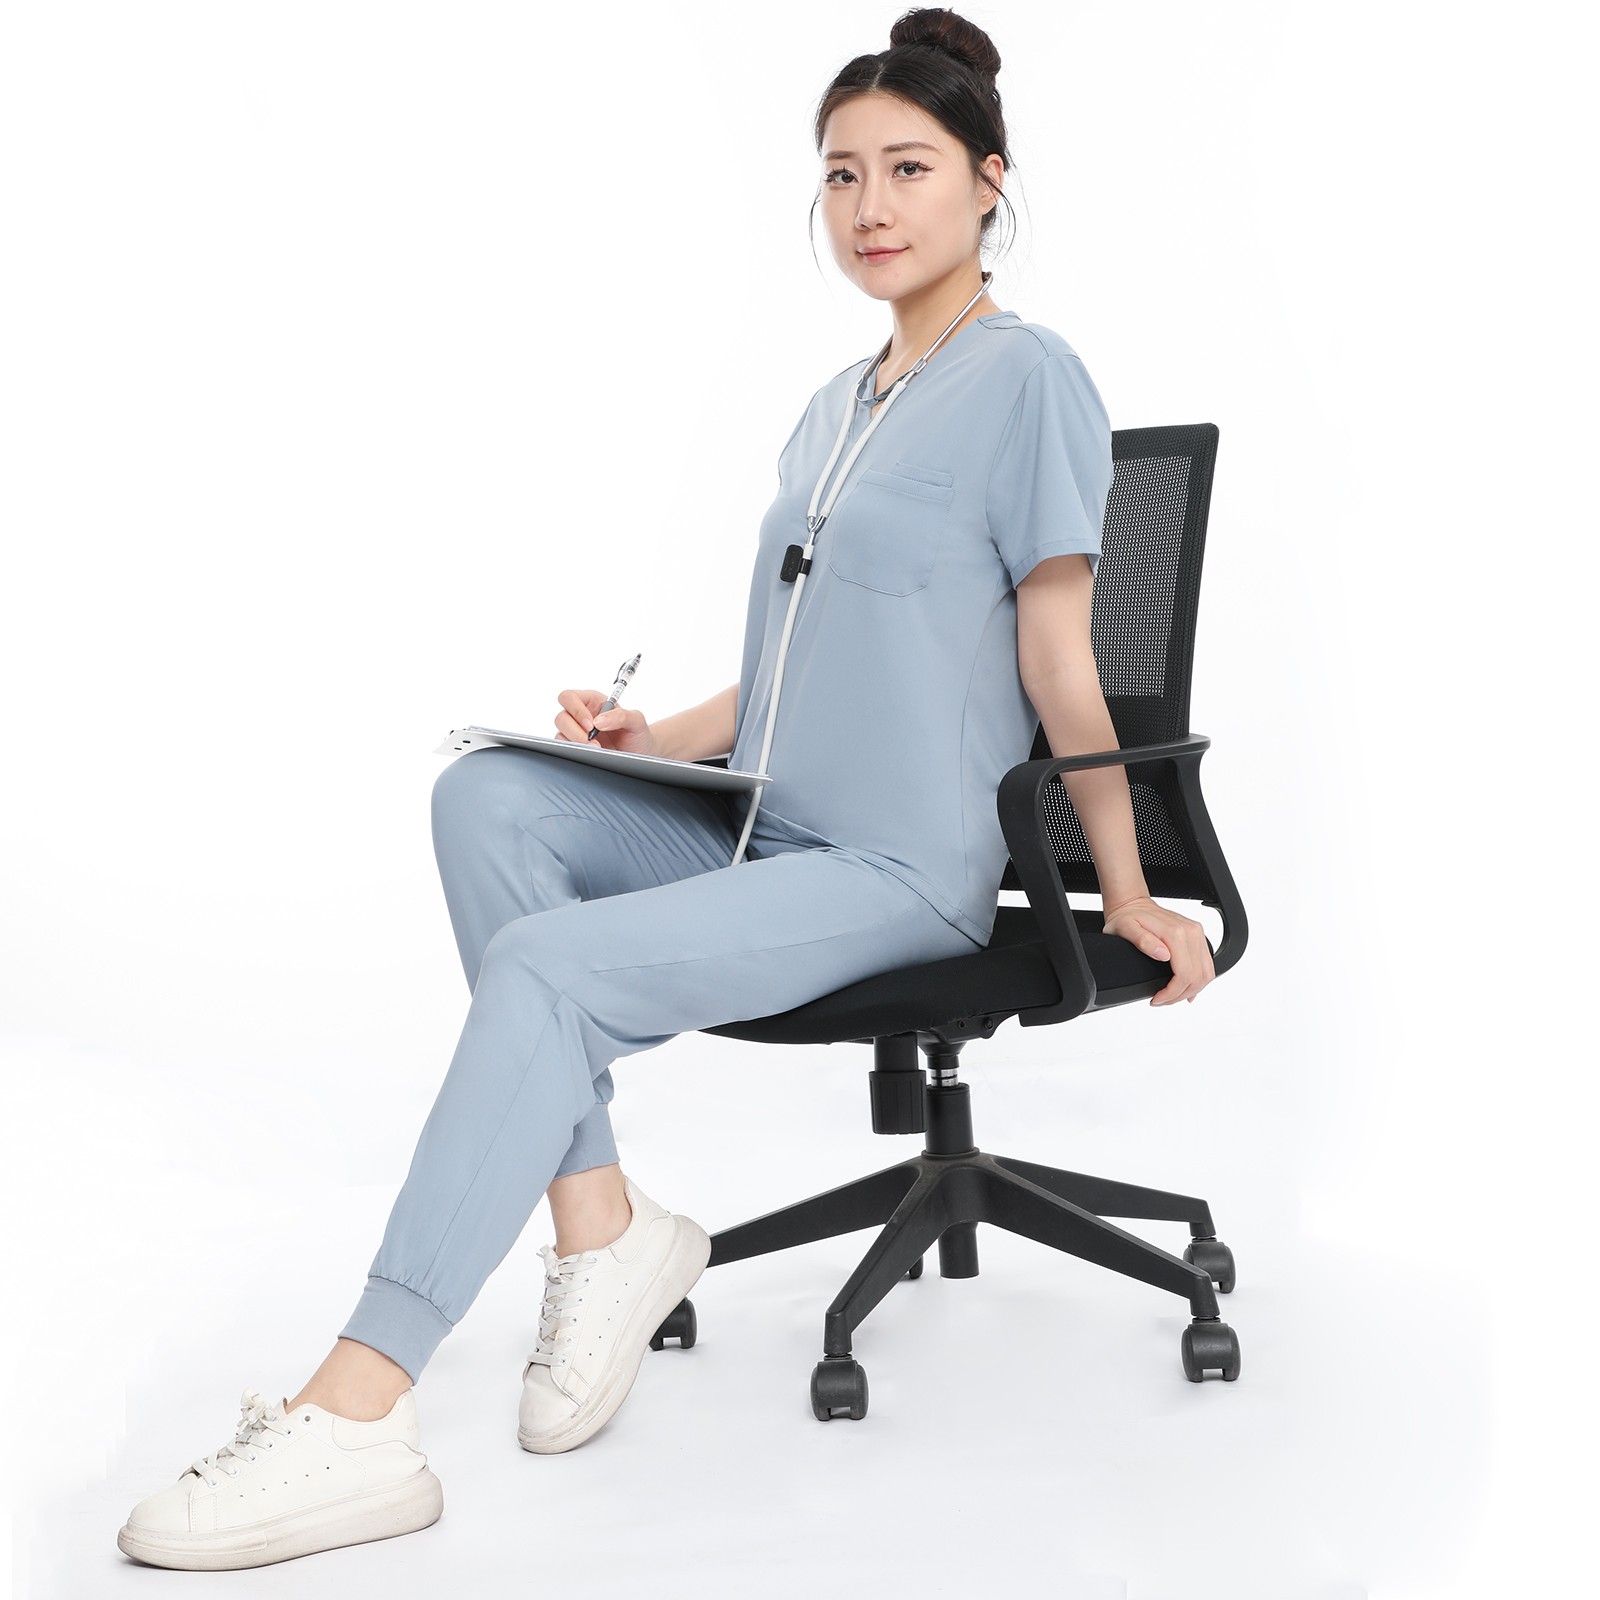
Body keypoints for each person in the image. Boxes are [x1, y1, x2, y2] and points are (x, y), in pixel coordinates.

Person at [117, 5, 1216, 1571]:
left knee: (549, 969)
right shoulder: (834, 409)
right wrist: (653, 749)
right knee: (487, 800)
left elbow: (1059, 663)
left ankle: (360, 1410)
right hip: (769, 826)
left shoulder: (1029, 378)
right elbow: (788, 677)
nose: (869, 206)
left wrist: (1126, 886)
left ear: (989, 181)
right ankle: (602, 1228)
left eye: (908, 168)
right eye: (840, 174)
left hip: (897, 867)